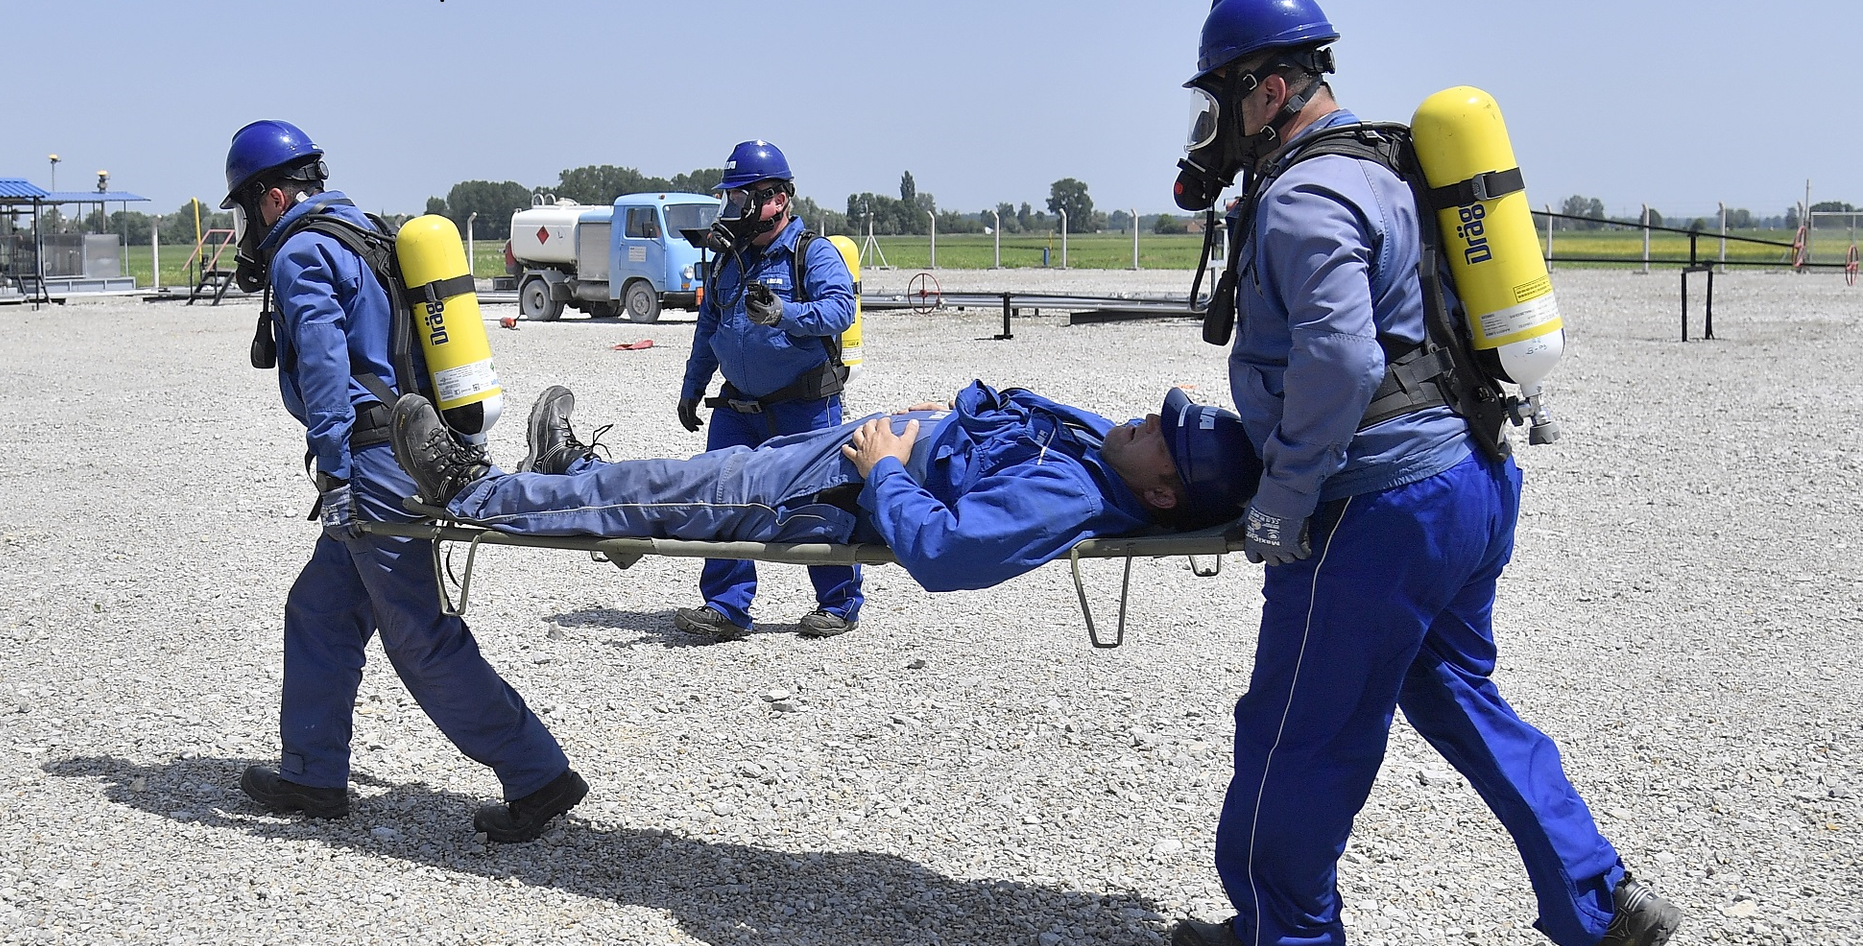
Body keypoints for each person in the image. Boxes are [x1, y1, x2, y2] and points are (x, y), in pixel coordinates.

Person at [1165, 0, 1679, 946]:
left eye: (1219, 102)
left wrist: (1285, 494)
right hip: (1470, 481)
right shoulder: (1392, 168)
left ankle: (1282, 928)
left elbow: (1342, 359)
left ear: (1269, 89)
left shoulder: (1308, 198)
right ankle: (1602, 902)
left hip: (1378, 507)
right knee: (1454, 692)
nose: (1209, 129)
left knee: (1298, 722)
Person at [221, 120, 586, 842]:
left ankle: (538, 773)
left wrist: (335, 472)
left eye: (242, 208)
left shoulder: (301, 252)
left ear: (269, 199)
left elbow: (326, 370)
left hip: (370, 460)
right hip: (408, 445)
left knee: (418, 635)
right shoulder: (366, 231)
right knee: (320, 609)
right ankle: (312, 773)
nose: (245, 227)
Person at [389, 381, 1259, 594]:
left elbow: (947, 555)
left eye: (1164, 439)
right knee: (675, 482)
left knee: (673, 491)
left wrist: (883, 464)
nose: (1150, 421)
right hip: (848, 451)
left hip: (837, 488)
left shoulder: (1070, 495)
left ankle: (475, 493)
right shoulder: (1102, 455)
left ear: (1164, 498)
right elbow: (1005, 421)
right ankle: (571, 482)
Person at [675, 140, 862, 640]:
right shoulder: (728, 261)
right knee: (722, 496)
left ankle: (839, 603)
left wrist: (787, 314)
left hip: (805, 406)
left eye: (741, 199)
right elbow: (709, 327)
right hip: (739, 406)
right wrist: (693, 387)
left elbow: (841, 310)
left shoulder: (811, 254)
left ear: (776, 199)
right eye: (730, 199)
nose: (733, 209)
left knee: (819, 502)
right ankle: (727, 607)